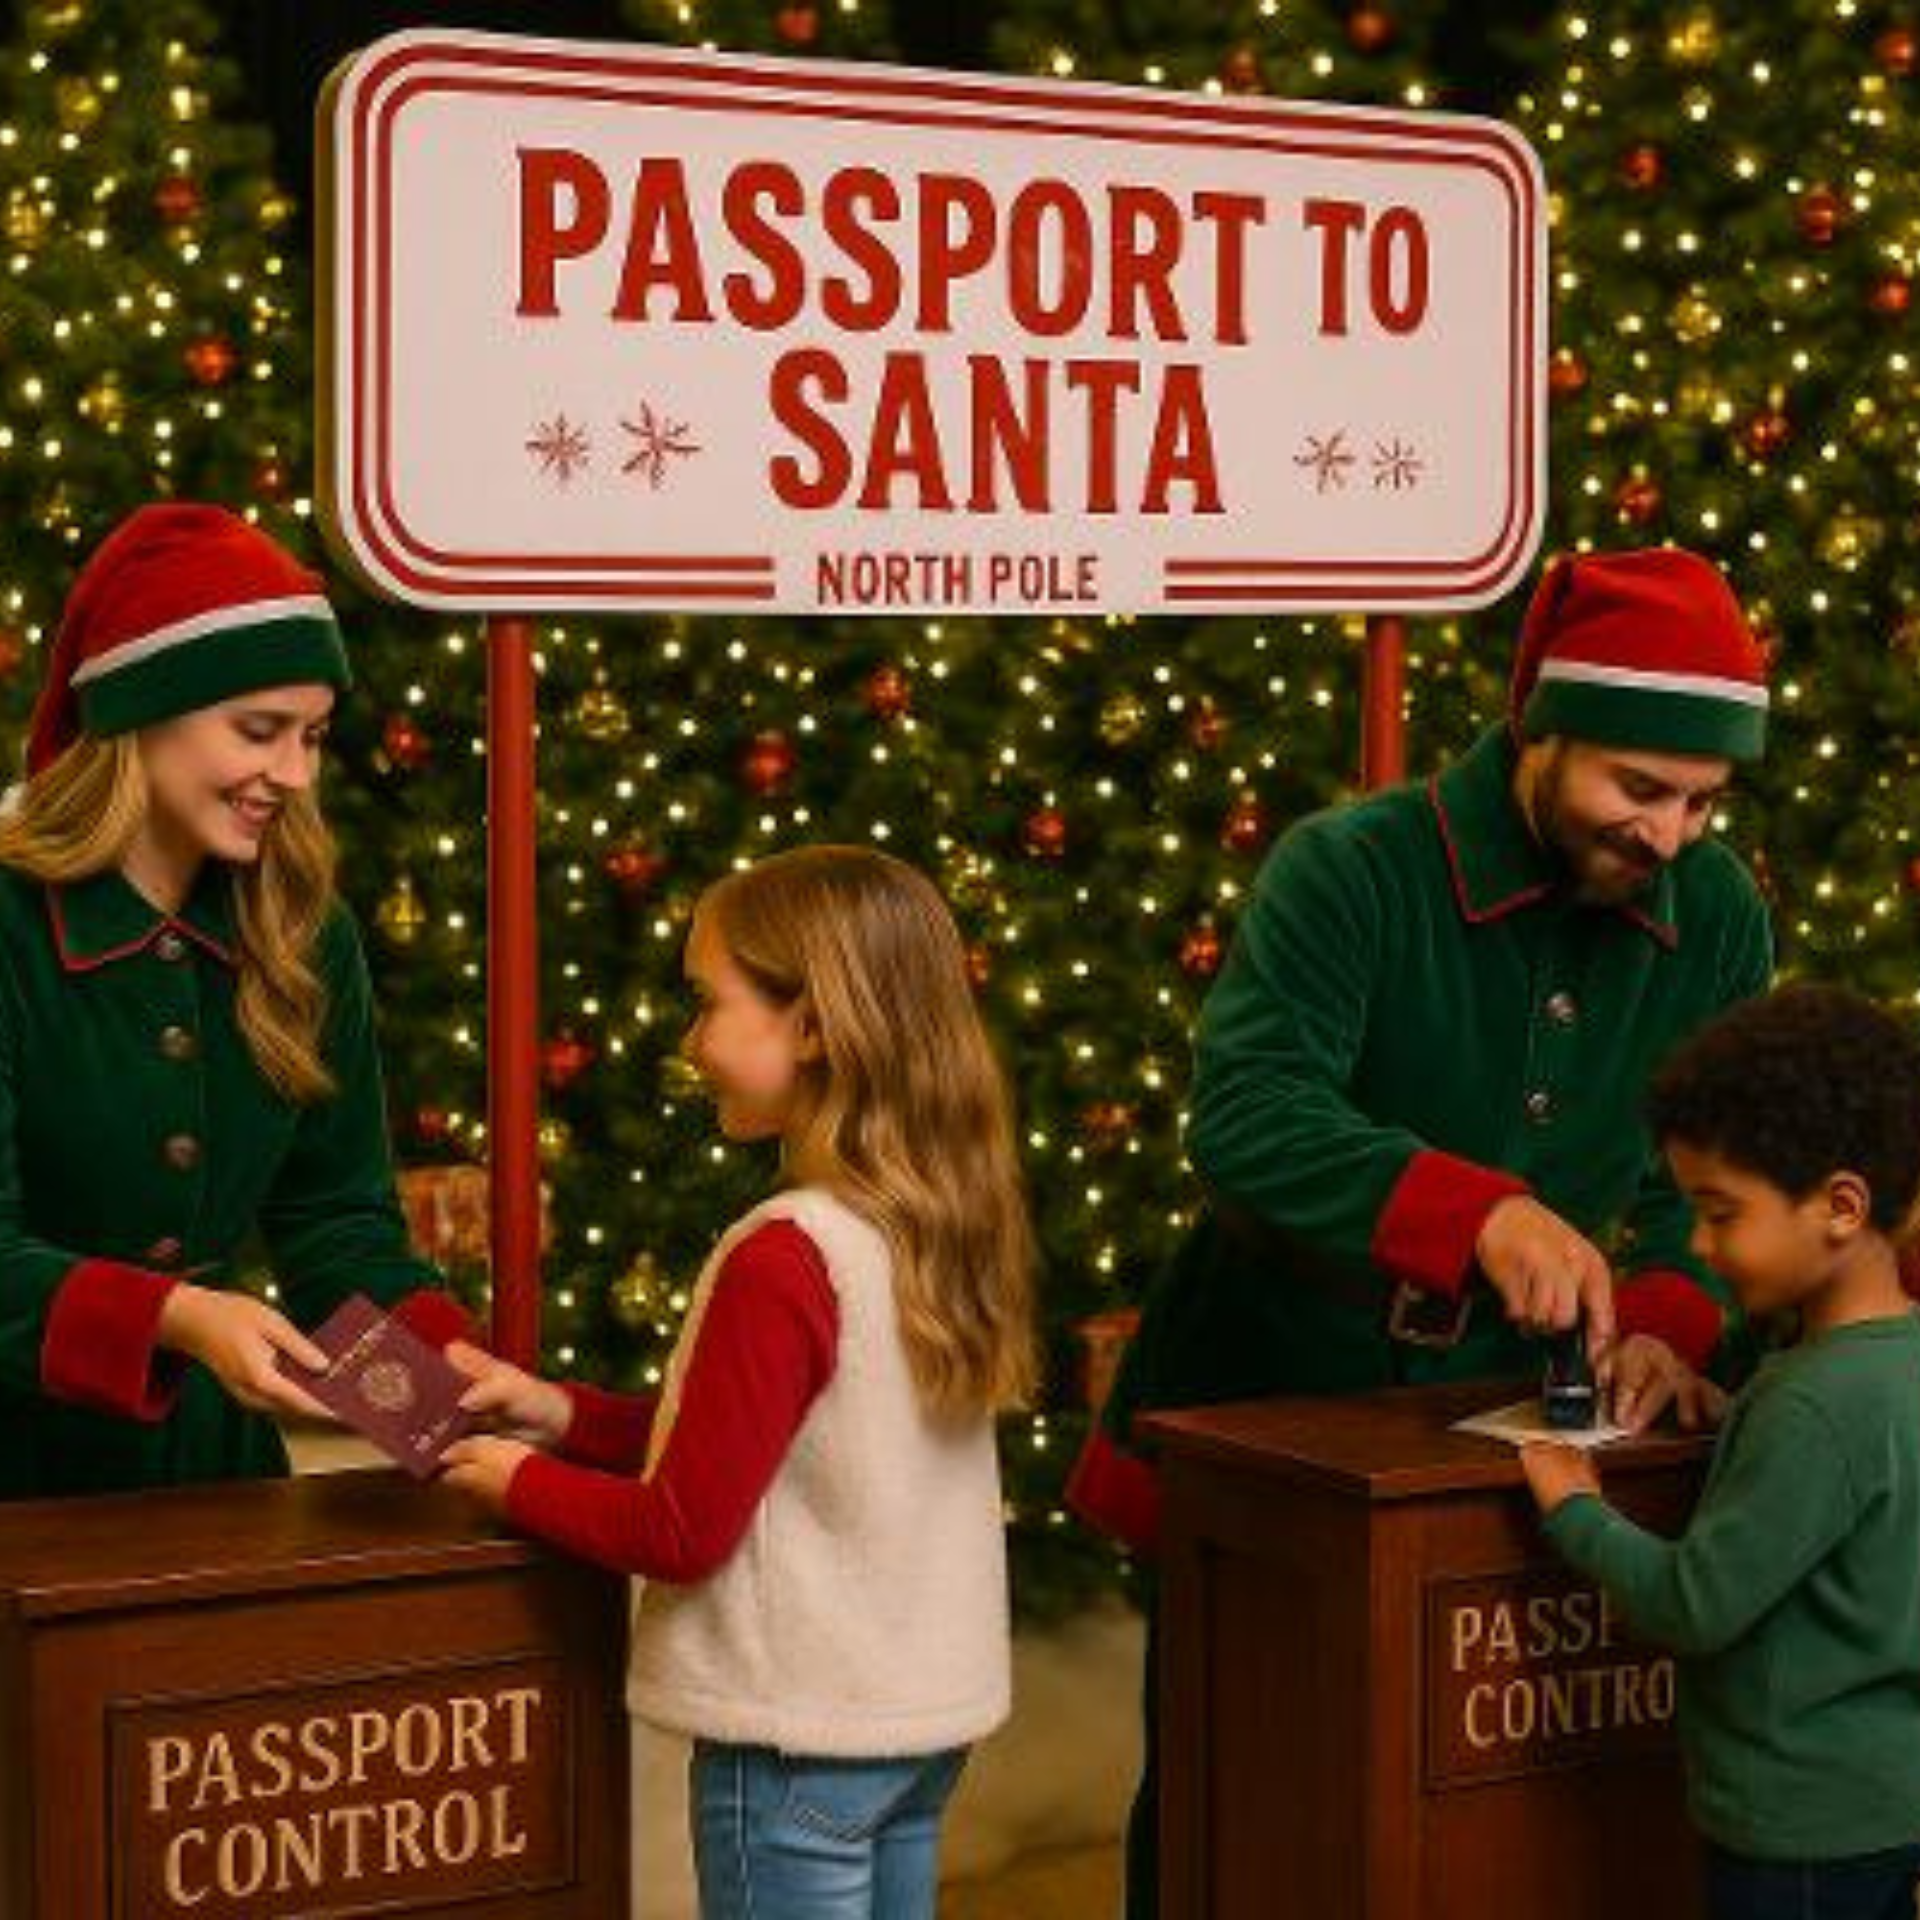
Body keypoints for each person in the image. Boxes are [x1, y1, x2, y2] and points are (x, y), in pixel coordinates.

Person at [1077, 545, 1778, 1917]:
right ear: (1538, 729)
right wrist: (1480, 1210)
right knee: (1244, 1789)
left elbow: (1719, 1172)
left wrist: (1668, 1319)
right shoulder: (1351, 869)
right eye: (1637, 789)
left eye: (1703, 799)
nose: (1671, 836)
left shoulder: (1719, 914)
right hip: (1267, 1392)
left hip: (1518, 1422)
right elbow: (1248, 1114)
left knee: (1477, 1814)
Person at [439, 844, 1038, 1920]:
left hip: (796, 1745)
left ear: (811, 1026)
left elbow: (682, 1527)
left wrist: (513, 1483)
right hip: (912, 1733)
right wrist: (561, 1413)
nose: (689, 1041)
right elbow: (767, 1446)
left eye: (707, 1004)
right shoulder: (925, 1221)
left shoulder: (786, 1252)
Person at [0, 501, 471, 1497]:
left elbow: (335, 1227)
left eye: (313, 735)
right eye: (260, 731)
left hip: (205, 1480)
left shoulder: (304, 930)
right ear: (140, 713)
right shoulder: (10, 928)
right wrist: (179, 1317)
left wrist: (448, 1405)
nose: (295, 775)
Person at [1522, 982, 1920, 1920]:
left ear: (1840, 1205)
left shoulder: (1813, 1403)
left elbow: (1694, 1604)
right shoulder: (1887, 1363)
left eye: (1721, 1212)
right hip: (1891, 1805)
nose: (1698, 1243)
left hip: (1798, 1828)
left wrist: (1572, 1503)